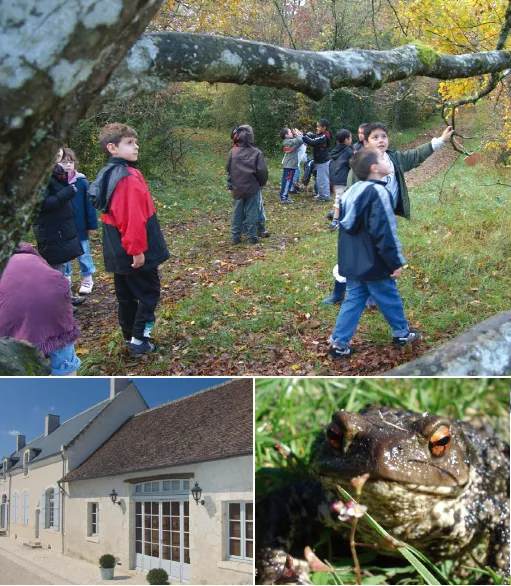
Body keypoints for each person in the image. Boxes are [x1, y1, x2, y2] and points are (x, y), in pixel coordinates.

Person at [328, 148, 419, 359]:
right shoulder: (378, 192)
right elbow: (385, 231)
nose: (386, 159)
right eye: (381, 158)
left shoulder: (351, 192)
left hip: (352, 261)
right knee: (388, 296)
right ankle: (402, 334)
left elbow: (343, 225)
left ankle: (338, 344)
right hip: (374, 263)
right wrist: (395, 261)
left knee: (353, 299)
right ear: (374, 168)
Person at [89, 123, 171, 357]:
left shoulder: (108, 172)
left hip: (116, 248)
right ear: (112, 148)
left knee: (126, 295)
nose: (136, 147)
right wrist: (137, 250)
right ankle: (139, 340)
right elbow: (131, 217)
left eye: (135, 142)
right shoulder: (126, 178)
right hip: (132, 248)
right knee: (148, 293)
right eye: (129, 143)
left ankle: (128, 335)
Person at [0, 244, 81, 375]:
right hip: (55, 301)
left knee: (17, 354)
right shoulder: (27, 254)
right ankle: (67, 380)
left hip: (16, 309)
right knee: (62, 350)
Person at [346, 122, 454, 219]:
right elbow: (350, 195)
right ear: (366, 143)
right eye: (375, 137)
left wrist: (441, 140)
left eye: (384, 136)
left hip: (388, 215)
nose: (381, 140)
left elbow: (416, 155)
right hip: (368, 219)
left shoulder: (394, 158)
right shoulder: (360, 166)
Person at [33, 158, 85, 306]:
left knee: (62, 266)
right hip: (51, 230)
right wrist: (68, 192)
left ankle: (66, 297)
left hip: (62, 228)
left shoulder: (57, 172)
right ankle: (59, 305)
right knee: (55, 270)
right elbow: (41, 204)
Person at [60, 148, 98, 294]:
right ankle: (67, 278)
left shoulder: (81, 182)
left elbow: (89, 205)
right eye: (64, 162)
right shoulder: (56, 182)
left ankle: (87, 277)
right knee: (65, 255)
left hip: (80, 226)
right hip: (63, 227)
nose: (68, 165)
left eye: (70, 162)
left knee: (84, 253)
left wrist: (91, 224)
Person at [226, 125, 268, 244]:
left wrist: (230, 185)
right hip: (252, 187)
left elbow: (228, 169)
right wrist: (261, 183)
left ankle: (235, 236)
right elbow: (262, 171)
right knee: (252, 212)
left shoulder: (233, 152)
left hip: (237, 187)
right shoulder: (256, 153)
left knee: (237, 212)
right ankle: (251, 236)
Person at [328, 129, 354, 229]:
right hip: (342, 179)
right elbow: (352, 163)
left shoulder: (335, 150)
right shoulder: (348, 151)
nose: (351, 139)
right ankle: (334, 222)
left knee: (340, 198)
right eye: (350, 137)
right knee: (340, 199)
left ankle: (333, 213)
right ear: (347, 139)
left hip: (334, 178)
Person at [301, 118, 331, 201]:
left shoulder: (324, 136)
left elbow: (312, 142)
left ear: (324, 127)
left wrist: (302, 136)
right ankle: (321, 194)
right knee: (319, 179)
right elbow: (311, 136)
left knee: (323, 179)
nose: (317, 128)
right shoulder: (319, 135)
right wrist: (302, 134)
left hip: (323, 161)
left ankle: (325, 196)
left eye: (318, 127)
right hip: (319, 161)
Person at [279, 127, 303, 203]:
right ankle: (284, 197)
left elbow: (300, 142)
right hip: (289, 165)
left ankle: (284, 195)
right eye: (290, 132)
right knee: (287, 181)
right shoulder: (287, 142)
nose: (292, 133)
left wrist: (300, 134)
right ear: (286, 135)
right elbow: (299, 140)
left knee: (287, 181)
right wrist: (297, 134)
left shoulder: (290, 141)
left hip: (291, 165)